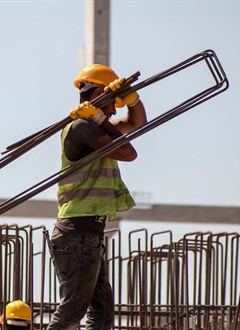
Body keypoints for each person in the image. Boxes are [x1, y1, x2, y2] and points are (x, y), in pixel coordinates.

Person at [47, 64, 147, 330]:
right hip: (77, 231)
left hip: (88, 232)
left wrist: (132, 98)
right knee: (71, 311)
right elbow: (128, 153)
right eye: (112, 102)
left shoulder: (98, 127)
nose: (114, 109)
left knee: (102, 311)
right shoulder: (83, 127)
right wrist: (102, 120)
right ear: (99, 94)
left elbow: (137, 123)